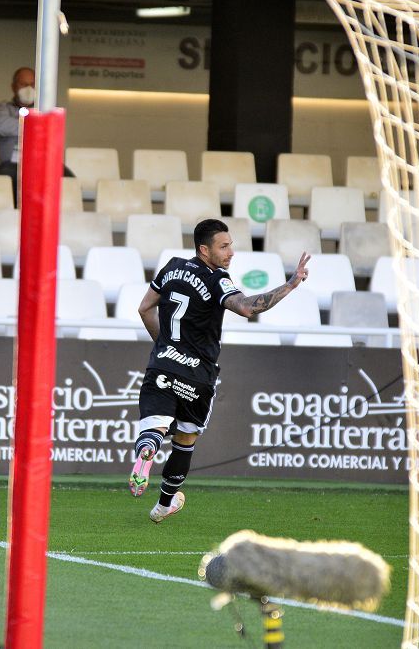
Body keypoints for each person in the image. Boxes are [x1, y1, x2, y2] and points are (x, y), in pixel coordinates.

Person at [129, 218, 312, 522]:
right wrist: (291, 284)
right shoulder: (218, 279)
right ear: (204, 249)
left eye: (231, 245)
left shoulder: (171, 267)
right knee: (185, 443)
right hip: (198, 375)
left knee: (155, 427)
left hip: (163, 365)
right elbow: (247, 308)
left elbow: (144, 308)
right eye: (224, 246)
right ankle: (163, 505)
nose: (231, 252)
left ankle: (147, 448)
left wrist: (165, 345)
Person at [0, 66, 71, 199]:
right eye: (23, 84)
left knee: (69, 179)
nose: (28, 88)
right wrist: (37, 125)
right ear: (14, 87)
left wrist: (22, 125)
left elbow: (53, 131)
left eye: (32, 84)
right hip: (12, 165)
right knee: (7, 177)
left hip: (41, 164)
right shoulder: (3, 109)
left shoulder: (45, 109)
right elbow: (1, 125)